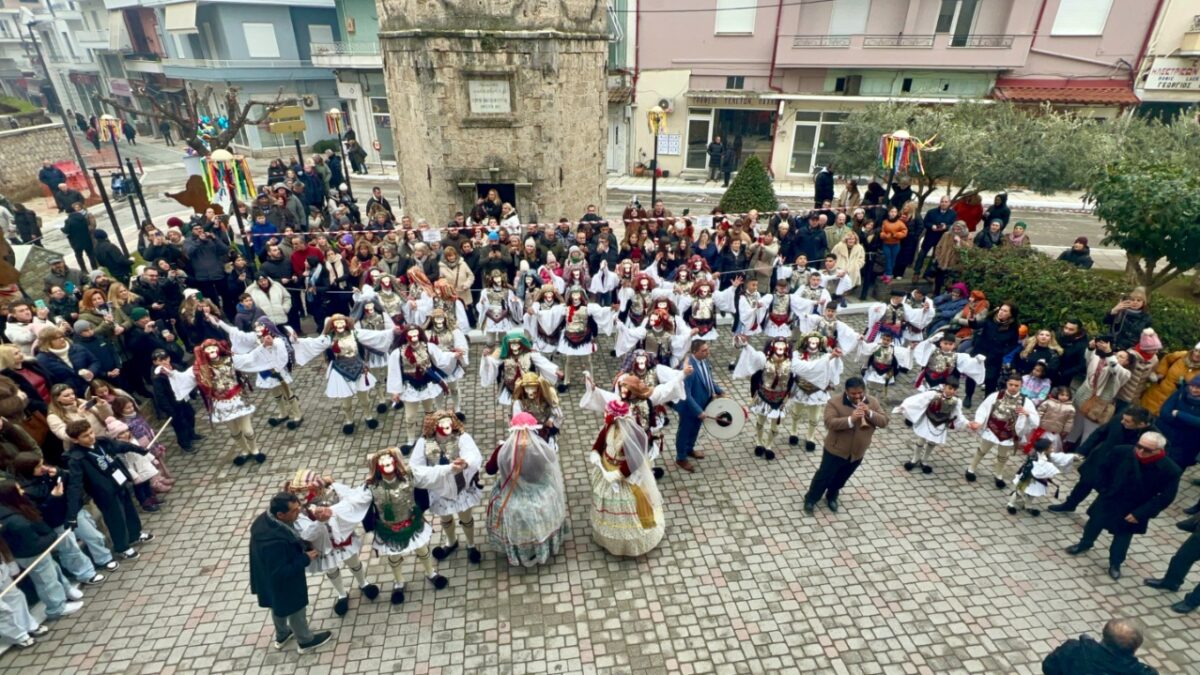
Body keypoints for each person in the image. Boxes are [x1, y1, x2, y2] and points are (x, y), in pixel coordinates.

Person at [1065, 431, 1180, 580]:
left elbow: (1166, 497)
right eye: (1139, 446)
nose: (1141, 451)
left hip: (1135, 507)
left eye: (1147, 450)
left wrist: (1141, 514)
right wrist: (1104, 489)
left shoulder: (1170, 469)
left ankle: (1115, 563)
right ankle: (1084, 544)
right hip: (1110, 498)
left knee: (1123, 537)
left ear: (1159, 450)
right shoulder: (1121, 451)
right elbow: (1103, 469)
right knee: (1094, 523)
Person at [248, 492, 334, 654]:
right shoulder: (274, 542)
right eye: (294, 511)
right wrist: (305, 558)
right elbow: (282, 571)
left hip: (266, 579)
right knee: (296, 610)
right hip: (284, 582)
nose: (298, 512)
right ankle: (305, 641)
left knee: (276, 605)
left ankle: (282, 635)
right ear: (280, 514)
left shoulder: (264, 521)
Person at [483, 412, 568, 567]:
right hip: (540, 490)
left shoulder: (503, 449)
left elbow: (489, 469)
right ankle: (540, 545)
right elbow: (546, 468)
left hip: (512, 491)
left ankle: (520, 550)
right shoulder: (539, 446)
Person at [63, 419, 154, 560]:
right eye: (85, 436)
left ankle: (135, 534)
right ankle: (122, 547)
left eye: (91, 432)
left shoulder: (102, 442)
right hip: (104, 493)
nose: (91, 437)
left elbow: (120, 445)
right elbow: (74, 485)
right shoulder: (76, 459)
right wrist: (72, 513)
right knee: (116, 519)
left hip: (119, 482)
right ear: (75, 440)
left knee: (129, 510)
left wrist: (140, 449)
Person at [803, 376, 888, 515]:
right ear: (846, 392)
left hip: (857, 452)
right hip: (835, 450)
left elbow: (884, 421)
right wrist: (851, 419)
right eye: (853, 393)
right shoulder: (834, 403)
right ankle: (811, 499)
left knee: (842, 477)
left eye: (860, 393)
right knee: (824, 476)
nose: (857, 396)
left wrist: (869, 412)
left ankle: (832, 496)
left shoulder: (872, 402)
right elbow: (830, 423)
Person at [408, 410, 484, 564]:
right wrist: (443, 470)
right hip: (439, 489)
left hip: (461, 486)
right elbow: (415, 469)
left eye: (448, 422)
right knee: (445, 517)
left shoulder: (462, 437)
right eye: (441, 423)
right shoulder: (424, 442)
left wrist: (465, 463)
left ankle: (471, 544)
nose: (445, 426)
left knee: (466, 517)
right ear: (434, 426)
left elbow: (474, 455)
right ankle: (451, 542)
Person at [1041, 618, 1158, 675]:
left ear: (1104, 636)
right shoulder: (1143, 673)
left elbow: (1048, 667)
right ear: (1135, 648)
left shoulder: (1073, 650)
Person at [674, 340, 722, 473]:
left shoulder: (704, 361)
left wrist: (719, 391)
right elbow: (686, 394)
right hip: (690, 408)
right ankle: (681, 457)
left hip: (702, 404)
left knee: (695, 429)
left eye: (707, 349)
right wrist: (698, 410)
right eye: (704, 351)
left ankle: (689, 449)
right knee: (685, 431)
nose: (708, 352)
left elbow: (708, 379)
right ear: (694, 352)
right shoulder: (688, 368)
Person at [1140, 342, 1200, 416]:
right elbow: (1167, 360)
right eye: (1196, 350)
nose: (1197, 354)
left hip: (1173, 402)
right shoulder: (1181, 355)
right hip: (1156, 393)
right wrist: (1160, 373)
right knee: (1138, 417)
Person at [64, 202, 96, 272]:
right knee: (90, 254)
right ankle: (94, 268)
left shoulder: (68, 221)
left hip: (76, 242)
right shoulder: (82, 217)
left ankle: (84, 270)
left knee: (79, 256)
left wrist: (62, 229)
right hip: (87, 239)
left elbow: (66, 231)